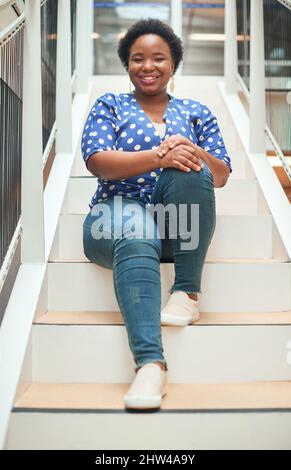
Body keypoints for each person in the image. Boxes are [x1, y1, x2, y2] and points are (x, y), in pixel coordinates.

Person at [81, 18, 232, 410]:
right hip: (113, 219)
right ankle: (151, 364)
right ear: (127, 65)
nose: (148, 66)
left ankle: (186, 291)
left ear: (174, 64)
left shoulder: (196, 112)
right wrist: (159, 155)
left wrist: (191, 152)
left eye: (158, 58)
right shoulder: (110, 105)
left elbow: (221, 177)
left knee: (192, 165)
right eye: (137, 59)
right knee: (135, 226)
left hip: (175, 226)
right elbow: (98, 162)